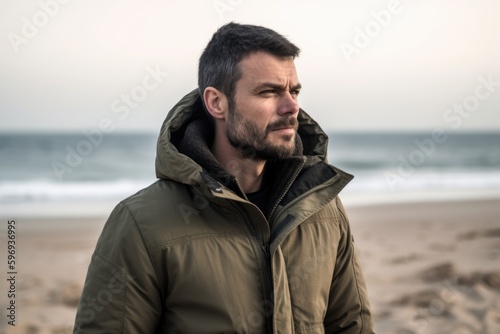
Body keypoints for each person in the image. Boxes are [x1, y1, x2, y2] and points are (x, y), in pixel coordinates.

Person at [74, 22, 374, 333]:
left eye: (294, 91)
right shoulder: (141, 223)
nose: (291, 107)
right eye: (269, 91)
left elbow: (352, 326)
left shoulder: (323, 209)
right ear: (217, 102)